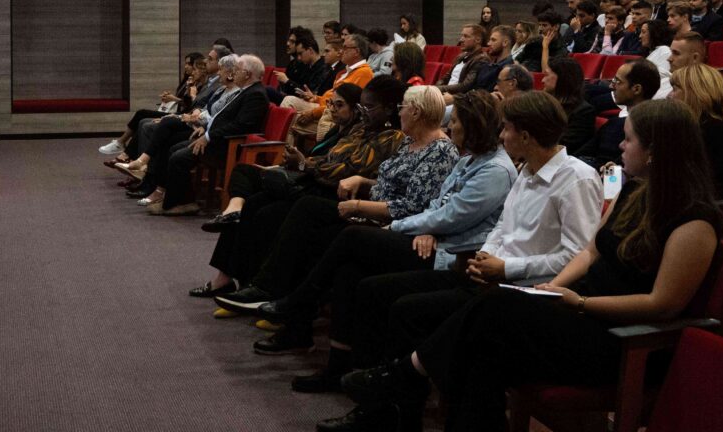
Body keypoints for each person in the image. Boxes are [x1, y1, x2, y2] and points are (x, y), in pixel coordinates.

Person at [332, 99, 723, 432]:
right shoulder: (634, 192)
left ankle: (402, 375)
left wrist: (578, 302)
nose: (620, 146)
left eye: (629, 138)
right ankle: (401, 387)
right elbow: (589, 252)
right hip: (578, 312)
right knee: (484, 351)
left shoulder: (694, 220)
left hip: (619, 337)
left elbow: (662, 305)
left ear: (655, 150)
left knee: (497, 310)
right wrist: (552, 291)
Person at [319, 92, 602, 426]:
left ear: (526, 136)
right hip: (489, 275)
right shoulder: (527, 169)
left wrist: (504, 267)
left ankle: (392, 393)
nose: (502, 136)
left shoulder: (576, 178)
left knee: (409, 310)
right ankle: (388, 409)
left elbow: (576, 255)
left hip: (525, 292)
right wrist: (487, 256)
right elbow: (502, 226)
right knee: (377, 290)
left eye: (508, 129)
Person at [262, 91, 516, 392]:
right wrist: (426, 228)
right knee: (350, 270)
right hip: (429, 239)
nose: (451, 128)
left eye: (457, 122)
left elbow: (452, 216)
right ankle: (339, 369)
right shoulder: (470, 159)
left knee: (351, 238)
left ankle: (299, 302)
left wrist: (398, 226)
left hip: (451, 254)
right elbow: (439, 206)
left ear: (472, 127)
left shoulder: (495, 170)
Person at [215, 85, 458, 324]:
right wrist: (363, 182)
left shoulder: (439, 151)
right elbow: (385, 183)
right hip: (365, 204)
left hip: (386, 221)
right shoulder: (409, 143)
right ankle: (268, 296)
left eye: (402, 107)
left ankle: (275, 295)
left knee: (308, 213)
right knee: (278, 208)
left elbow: (412, 207)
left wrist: (359, 205)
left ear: (416, 112)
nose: (399, 112)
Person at [194, 80, 403, 299]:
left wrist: (306, 164)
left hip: (334, 192)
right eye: (361, 107)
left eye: (368, 108)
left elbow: (347, 170)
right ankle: (236, 279)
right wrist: (307, 163)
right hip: (317, 182)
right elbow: (330, 158)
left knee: (267, 212)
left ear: (389, 109)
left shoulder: (391, 137)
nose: (363, 113)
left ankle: (263, 286)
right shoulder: (361, 130)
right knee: (254, 202)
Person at [146, 54, 269, 216]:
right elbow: (223, 117)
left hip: (227, 145)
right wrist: (206, 129)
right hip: (216, 138)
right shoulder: (245, 90)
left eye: (237, 70)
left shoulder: (255, 94)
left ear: (247, 74)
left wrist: (209, 136)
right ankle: (183, 199)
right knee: (174, 148)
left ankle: (180, 203)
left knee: (178, 157)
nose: (234, 73)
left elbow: (240, 126)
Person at [98, 51, 205, 156]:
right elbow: (184, 100)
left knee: (142, 116)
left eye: (189, 65)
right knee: (142, 118)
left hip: (183, 116)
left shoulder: (199, 85)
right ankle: (127, 151)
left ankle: (123, 146)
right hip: (177, 112)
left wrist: (174, 99)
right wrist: (170, 97)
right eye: (185, 63)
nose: (186, 67)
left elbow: (191, 106)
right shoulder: (187, 81)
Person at [670, 64, 723, 199]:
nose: (669, 96)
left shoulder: (713, 131)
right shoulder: (695, 127)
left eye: (675, 89)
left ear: (694, 93)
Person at [575, 60, 660, 170]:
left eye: (618, 81)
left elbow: (613, 173)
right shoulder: (614, 123)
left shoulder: (647, 129)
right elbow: (578, 156)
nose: (611, 86)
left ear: (637, 89)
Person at [542, 56, 595, 154]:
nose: (542, 80)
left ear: (562, 78)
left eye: (546, 75)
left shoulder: (583, 112)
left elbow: (565, 147)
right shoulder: (546, 105)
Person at [437, 25, 489, 96]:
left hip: (458, 99)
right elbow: (445, 78)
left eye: (466, 36)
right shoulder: (460, 56)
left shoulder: (481, 59)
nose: (461, 40)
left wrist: (438, 89)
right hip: (445, 94)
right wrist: (436, 89)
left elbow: (465, 86)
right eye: (462, 36)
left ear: (478, 40)